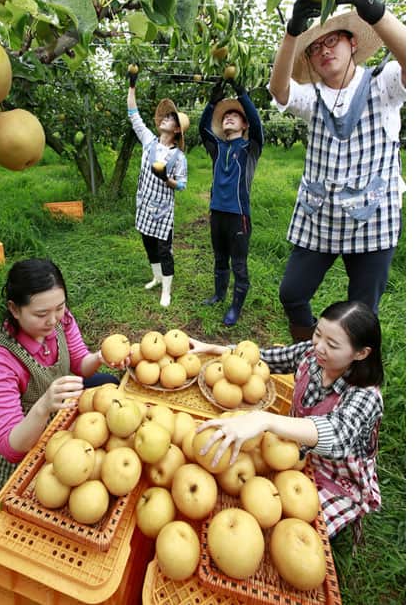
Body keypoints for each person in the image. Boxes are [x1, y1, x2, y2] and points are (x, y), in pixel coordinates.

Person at [269, 0, 406, 342]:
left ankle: (356, 378)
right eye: (316, 47)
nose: (325, 49)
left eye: (333, 41)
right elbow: (279, 90)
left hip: (372, 216)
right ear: (310, 61)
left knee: (362, 312)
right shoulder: (311, 98)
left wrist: (376, 13)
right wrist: (292, 32)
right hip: (321, 217)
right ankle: (308, 356)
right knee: (292, 292)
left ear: (352, 44)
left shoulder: (383, 83)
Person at [189, 300, 383, 542]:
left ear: (361, 353)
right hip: (288, 448)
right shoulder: (312, 355)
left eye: (332, 344)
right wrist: (214, 348)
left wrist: (265, 420)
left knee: (288, 534)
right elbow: (265, 358)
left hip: (335, 477)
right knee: (250, 505)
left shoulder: (365, 395)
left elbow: (337, 436)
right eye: (318, 334)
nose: (319, 347)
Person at [0, 258, 127, 488]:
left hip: (56, 406)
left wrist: (99, 358)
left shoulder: (60, 320)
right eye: (41, 313)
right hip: (23, 432)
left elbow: (79, 364)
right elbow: (10, 446)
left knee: (105, 381)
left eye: (59, 307)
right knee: (53, 483)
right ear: (14, 309)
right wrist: (44, 405)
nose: (53, 320)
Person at [199, 76, 264, 326]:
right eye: (226, 116)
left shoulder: (250, 148)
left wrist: (241, 92)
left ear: (244, 125)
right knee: (219, 258)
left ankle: (235, 307)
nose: (228, 117)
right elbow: (202, 129)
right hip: (217, 213)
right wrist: (211, 103)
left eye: (235, 116)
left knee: (238, 264)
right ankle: (218, 294)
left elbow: (257, 123)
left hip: (239, 215)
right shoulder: (217, 148)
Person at [128, 66, 189, 307]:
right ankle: (155, 277)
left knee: (165, 250)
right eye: (165, 117)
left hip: (163, 211)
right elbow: (133, 114)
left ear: (176, 130)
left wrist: (166, 178)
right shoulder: (148, 141)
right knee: (148, 243)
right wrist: (132, 85)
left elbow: (182, 185)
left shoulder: (179, 157)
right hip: (144, 204)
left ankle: (167, 289)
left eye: (170, 119)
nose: (165, 119)